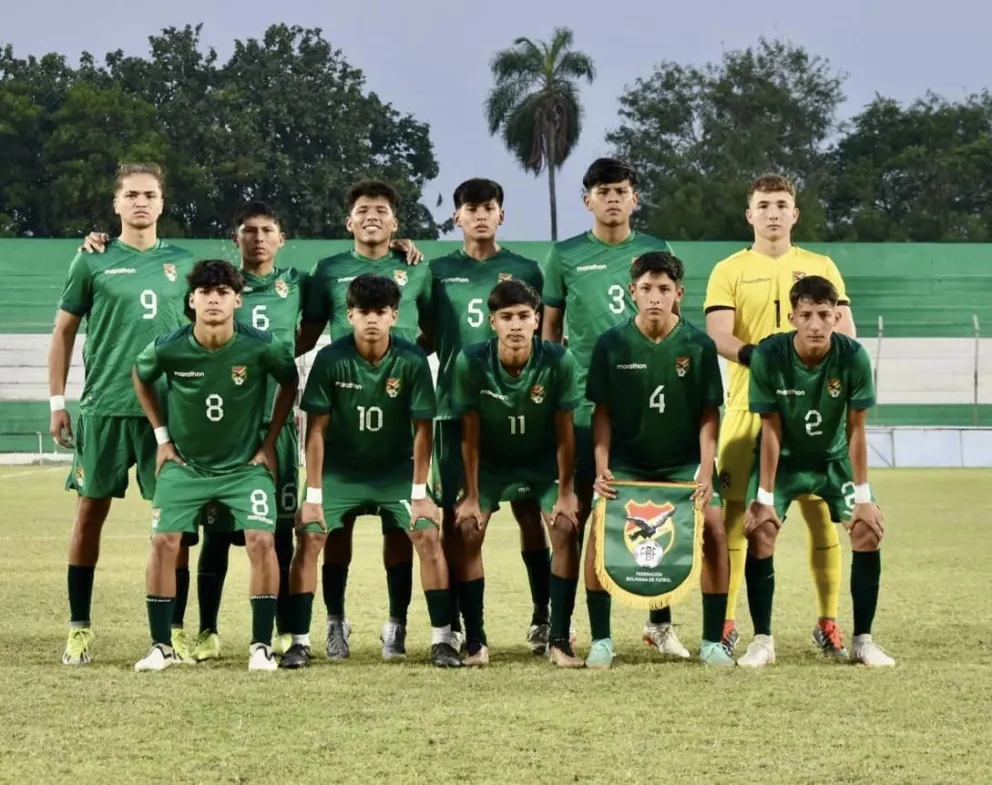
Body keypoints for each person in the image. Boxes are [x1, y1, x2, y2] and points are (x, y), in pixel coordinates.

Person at [704, 173, 858, 658]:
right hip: (748, 407)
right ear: (749, 214)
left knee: (821, 515)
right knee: (736, 517)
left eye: (781, 204)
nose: (773, 213)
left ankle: (828, 622)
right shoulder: (729, 269)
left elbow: (847, 334)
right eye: (764, 205)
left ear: (795, 214)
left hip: (813, 412)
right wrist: (759, 357)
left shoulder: (821, 266)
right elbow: (717, 333)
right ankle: (727, 622)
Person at [49, 162, 195, 666]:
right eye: (131, 194)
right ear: (116, 204)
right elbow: (63, 331)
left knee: (174, 523)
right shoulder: (91, 260)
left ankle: (175, 630)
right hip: (104, 407)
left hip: (167, 414)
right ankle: (79, 628)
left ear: (162, 202)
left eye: (149, 194)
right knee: (89, 514)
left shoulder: (183, 263)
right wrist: (57, 402)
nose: (140, 202)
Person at [542, 158, 689, 658]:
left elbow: (674, 326)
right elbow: (551, 332)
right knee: (572, 520)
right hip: (584, 406)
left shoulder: (655, 248)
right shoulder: (564, 255)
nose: (612, 199)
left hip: (648, 408)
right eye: (602, 191)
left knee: (658, 511)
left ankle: (660, 623)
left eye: (621, 191)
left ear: (634, 198)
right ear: (588, 200)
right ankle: (560, 632)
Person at [281, 273, 462, 668]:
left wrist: (420, 493)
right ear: (349, 315)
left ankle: (441, 639)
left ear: (395, 315)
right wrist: (314, 496)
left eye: (381, 311)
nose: (372, 319)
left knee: (426, 533)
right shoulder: (330, 359)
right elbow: (316, 431)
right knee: (310, 535)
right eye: (363, 311)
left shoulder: (411, 359)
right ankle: (302, 640)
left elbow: (423, 430)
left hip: (396, 471)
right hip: (340, 471)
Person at [131, 259, 299, 672]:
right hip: (185, 467)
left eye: (223, 293)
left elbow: (290, 380)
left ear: (237, 301)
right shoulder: (169, 346)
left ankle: (260, 647)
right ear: (191, 300)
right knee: (163, 543)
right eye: (205, 293)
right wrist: (162, 438)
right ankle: (161, 646)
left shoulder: (261, 345)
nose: (213, 300)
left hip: (245, 467)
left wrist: (269, 443)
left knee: (262, 540)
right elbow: (140, 375)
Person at [297, 180, 431, 660]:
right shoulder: (328, 270)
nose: (371, 216)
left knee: (401, 530)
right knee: (337, 529)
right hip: (344, 412)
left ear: (395, 221)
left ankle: (397, 625)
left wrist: (405, 366)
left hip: (396, 412)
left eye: (381, 209)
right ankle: (336, 622)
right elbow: (308, 333)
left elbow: (435, 332)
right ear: (348, 221)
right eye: (362, 209)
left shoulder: (417, 267)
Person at [421, 178, 551, 654]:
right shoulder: (436, 272)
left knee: (531, 511)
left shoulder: (527, 270)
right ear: (456, 217)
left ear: (501, 215)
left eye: (489, 207)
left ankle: (543, 618)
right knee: (458, 515)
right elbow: (426, 333)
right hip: (455, 409)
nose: (480, 215)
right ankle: (457, 622)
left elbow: (544, 336)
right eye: (471, 208)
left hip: (519, 407)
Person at [584, 252, 733, 668]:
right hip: (628, 465)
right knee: (598, 533)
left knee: (715, 530)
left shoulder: (699, 345)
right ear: (632, 292)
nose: (655, 297)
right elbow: (601, 414)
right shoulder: (611, 344)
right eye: (647, 288)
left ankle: (712, 643)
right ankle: (601, 641)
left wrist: (706, 470)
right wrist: (601, 467)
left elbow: (709, 414)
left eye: (664, 289)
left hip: (684, 464)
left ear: (678, 294)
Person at [737, 275, 894, 668]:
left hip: (834, 461)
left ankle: (863, 641)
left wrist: (863, 498)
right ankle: (762, 641)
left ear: (837, 317)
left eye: (824, 314)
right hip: (785, 462)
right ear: (792, 318)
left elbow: (857, 430)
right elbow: (770, 431)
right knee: (760, 532)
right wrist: (764, 499)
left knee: (867, 531)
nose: (815, 325)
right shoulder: (768, 356)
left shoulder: (853, 357)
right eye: (806, 315)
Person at [191, 201, 305, 662]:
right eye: (249, 230)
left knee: (280, 533)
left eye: (267, 230)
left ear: (281, 239)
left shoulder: (297, 284)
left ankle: (284, 629)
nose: (258, 238)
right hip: (226, 428)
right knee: (217, 535)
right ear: (235, 238)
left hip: (277, 429)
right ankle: (207, 631)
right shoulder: (217, 287)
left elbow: (341, 301)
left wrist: (401, 248)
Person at [451, 279, 585, 667]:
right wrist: (471, 495)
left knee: (565, 526)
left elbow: (565, 431)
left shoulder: (558, 360)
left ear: (537, 320)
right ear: (492, 322)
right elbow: (469, 433)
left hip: (542, 465)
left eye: (524, 316)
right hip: (491, 465)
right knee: (468, 528)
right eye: (506, 317)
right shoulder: (471, 361)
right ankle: (475, 641)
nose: (515, 325)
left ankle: (558, 640)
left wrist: (566, 491)